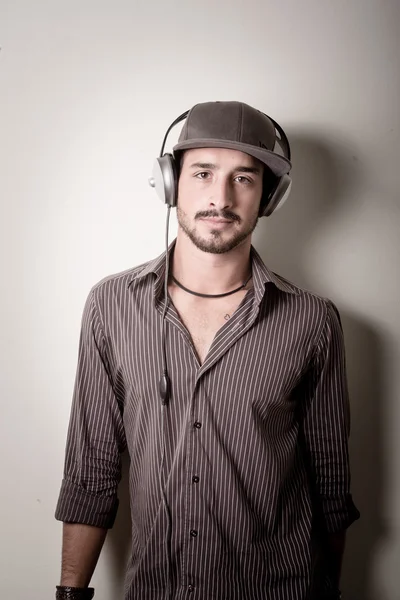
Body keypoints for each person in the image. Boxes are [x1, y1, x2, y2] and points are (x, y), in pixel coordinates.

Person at [55, 101, 360, 600]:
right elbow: (91, 473)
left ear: (268, 196)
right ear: (170, 183)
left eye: (243, 178)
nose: (220, 197)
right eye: (202, 173)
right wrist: (69, 593)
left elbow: (330, 488)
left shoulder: (313, 321)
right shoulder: (110, 305)